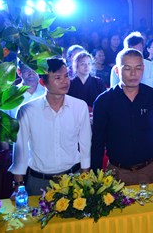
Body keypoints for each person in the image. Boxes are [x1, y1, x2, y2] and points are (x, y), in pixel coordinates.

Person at [9, 58, 91, 196]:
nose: (65, 81)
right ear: (43, 82)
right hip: (39, 180)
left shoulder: (79, 106)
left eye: (66, 76)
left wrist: (85, 178)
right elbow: (20, 151)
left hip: (73, 178)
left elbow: (85, 145)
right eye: (58, 77)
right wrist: (18, 185)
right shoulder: (27, 110)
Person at [91, 48, 153, 185]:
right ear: (117, 71)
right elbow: (98, 141)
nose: (133, 73)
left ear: (143, 69)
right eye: (127, 68)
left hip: (149, 169)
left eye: (138, 68)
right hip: (117, 172)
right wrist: (95, 176)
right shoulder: (104, 101)